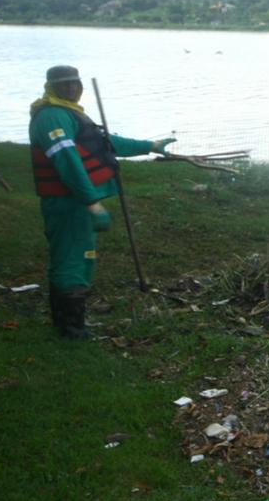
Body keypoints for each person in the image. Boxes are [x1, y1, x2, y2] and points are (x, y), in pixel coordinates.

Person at [28, 65, 174, 338]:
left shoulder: (69, 111)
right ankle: (70, 328)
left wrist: (149, 146)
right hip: (67, 203)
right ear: (50, 87)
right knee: (71, 259)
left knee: (81, 257)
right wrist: (91, 202)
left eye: (75, 83)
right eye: (64, 84)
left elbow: (103, 143)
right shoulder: (51, 117)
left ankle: (72, 322)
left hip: (77, 203)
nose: (71, 89)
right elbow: (67, 161)